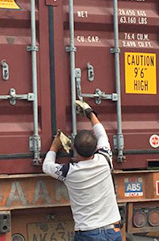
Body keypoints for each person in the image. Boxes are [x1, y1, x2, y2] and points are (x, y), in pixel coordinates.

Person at [43, 100, 121, 241]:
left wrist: (54, 147)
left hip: (88, 233)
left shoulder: (69, 172)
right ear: (96, 147)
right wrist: (90, 113)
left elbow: (47, 166)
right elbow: (102, 135)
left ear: (75, 150)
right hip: (113, 230)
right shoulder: (105, 159)